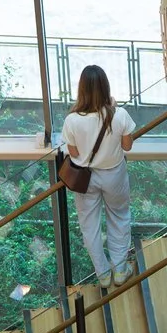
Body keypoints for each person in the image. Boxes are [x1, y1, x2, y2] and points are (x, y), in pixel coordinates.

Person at [62, 63, 135, 283]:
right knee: (119, 217)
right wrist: (112, 110)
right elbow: (128, 146)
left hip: (85, 179)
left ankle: (103, 275)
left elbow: (73, 153)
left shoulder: (72, 120)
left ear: (81, 89)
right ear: (106, 87)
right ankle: (120, 270)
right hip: (114, 175)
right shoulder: (119, 115)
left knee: (89, 226)